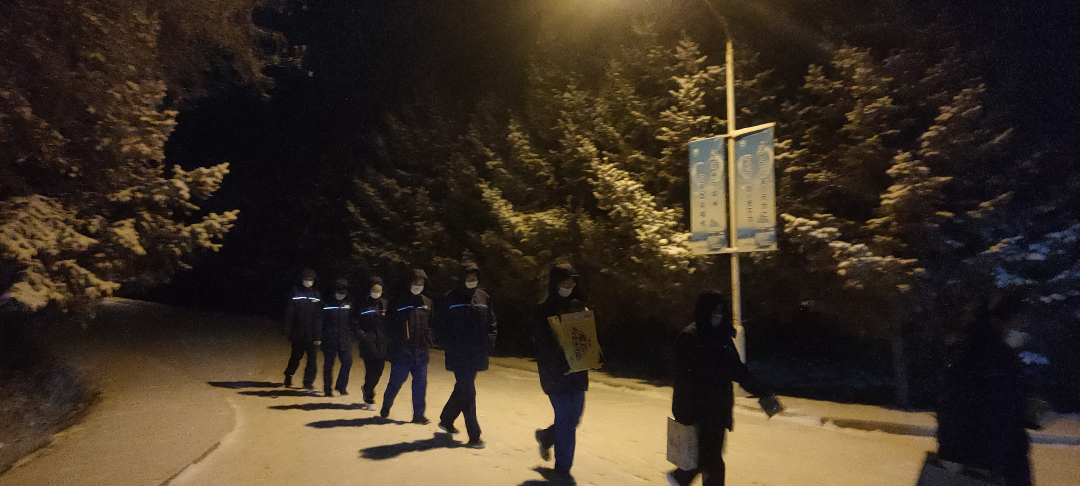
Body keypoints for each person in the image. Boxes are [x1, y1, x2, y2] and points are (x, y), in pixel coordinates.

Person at [667, 290, 769, 486]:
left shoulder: (723, 338)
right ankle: (680, 477)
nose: (717, 316)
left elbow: (737, 370)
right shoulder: (690, 338)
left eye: (721, 311)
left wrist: (762, 391)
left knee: (711, 459)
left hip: (718, 410)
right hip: (698, 412)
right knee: (711, 460)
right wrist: (683, 413)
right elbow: (683, 380)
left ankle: (680, 478)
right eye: (714, 311)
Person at [936, 297, 1032, 486]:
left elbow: (1003, 405)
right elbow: (953, 405)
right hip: (982, 462)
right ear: (999, 322)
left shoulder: (1003, 356)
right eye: (1018, 324)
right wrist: (951, 454)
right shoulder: (980, 356)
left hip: (1001, 459)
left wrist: (1028, 410)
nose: (1022, 331)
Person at [533, 263, 589, 483]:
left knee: (575, 417)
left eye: (572, 281)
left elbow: (586, 338)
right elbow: (543, 344)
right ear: (555, 282)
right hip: (555, 372)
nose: (569, 285)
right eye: (565, 281)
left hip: (577, 371)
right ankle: (563, 469)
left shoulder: (579, 306)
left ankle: (547, 436)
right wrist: (560, 361)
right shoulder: (543, 309)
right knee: (565, 418)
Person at [436, 262, 498, 449]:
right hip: (459, 353)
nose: (472, 280)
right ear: (461, 278)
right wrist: (449, 345)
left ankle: (446, 419)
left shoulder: (483, 297)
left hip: (477, 352)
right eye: (468, 277)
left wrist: (489, 343)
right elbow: (441, 325)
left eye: (475, 277)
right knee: (469, 391)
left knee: (463, 388)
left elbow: (492, 323)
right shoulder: (450, 298)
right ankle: (474, 435)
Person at [381, 269, 435, 424]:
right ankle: (386, 405)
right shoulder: (398, 301)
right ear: (409, 283)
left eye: (421, 283)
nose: (418, 285)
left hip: (421, 352)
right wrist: (396, 340)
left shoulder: (427, 302)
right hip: (402, 352)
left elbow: (432, 324)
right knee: (396, 382)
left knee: (420, 385)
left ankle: (418, 415)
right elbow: (388, 324)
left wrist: (429, 338)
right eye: (415, 282)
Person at [283, 268, 322, 389]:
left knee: (312, 360)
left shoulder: (316, 294)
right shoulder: (296, 292)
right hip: (298, 332)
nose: (308, 282)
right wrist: (288, 330)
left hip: (312, 334)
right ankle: (288, 375)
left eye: (311, 280)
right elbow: (289, 313)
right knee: (296, 357)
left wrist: (318, 335)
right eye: (306, 279)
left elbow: (319, 316)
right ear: (302, 279)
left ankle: (308, 382)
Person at [356, 276, 389, 405]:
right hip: (368, 342)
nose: (376, 292)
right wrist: (362, 335)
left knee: (379, 370)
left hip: (382, 342)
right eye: (374, 289)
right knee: (370, 370)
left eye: (378, 290)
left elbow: (391, 322)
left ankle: (367, 388)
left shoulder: (385, 304)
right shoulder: (363, 304)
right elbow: (355, 321)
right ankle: (369, 395)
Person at [320, 278, 355, 397]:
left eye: (343, 292)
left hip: (344, 339)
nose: (341, 294)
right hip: (329, 339)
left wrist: (352, 334)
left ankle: (341, 386)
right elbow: (320, 321)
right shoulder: (327, 304)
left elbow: (352, 321)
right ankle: (327, 389)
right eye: (339, 291)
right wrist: (319, 337)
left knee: (347, 362)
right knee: (329, 364)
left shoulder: (349, 304)